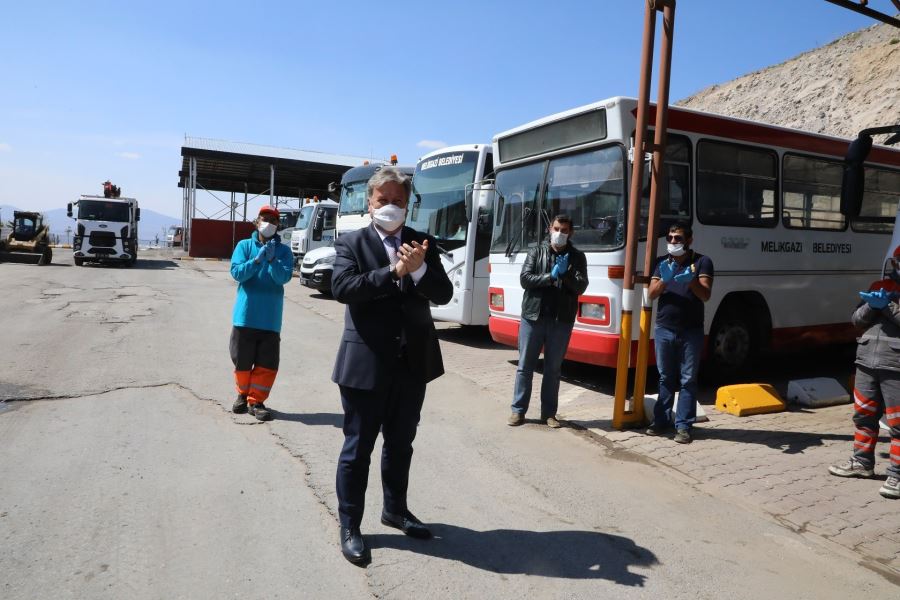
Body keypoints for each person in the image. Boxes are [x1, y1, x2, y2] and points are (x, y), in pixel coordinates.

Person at [331, 166, 453, 565]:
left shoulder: (422, 242)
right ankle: (350, 525)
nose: (390, 207)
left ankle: (395, 510)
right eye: (383, 200)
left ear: (407, 204)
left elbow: (444, 291)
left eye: (398, 201)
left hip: (411, 363)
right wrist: (393, 271)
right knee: (358, 449)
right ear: (370, 203)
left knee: (401, 444)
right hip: (365, 364)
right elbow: (344, 288)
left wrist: (418, 268)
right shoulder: (352, 242)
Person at [508, 214, 588, 428]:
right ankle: (518, 411)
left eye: (564, 230)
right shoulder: (536, 251)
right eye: (556, 229)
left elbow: (581, 287)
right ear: (549, 229)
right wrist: (551, 277)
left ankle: (549, 414)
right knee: (525, 366)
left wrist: (566, 275)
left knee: (553, 369)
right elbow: (525, 279)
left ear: (570, 233)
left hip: (561, 320)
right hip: (533, 317)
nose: (559, 234)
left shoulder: (577, 257)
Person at [828, 278, 900, 499]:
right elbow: (857, 320)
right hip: (866, 363)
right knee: (863, 416)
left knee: (898, 424)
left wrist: (887, 306)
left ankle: (897, 474)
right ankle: (861, 462)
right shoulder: (881, 285)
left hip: (896, 367)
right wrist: (871, 305)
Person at [646, 221, 714, 444]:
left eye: (678, 238)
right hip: (664, 328)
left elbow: (705, 295)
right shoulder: (662, 262)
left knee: (687, 380)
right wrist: (665, 280)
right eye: (670, 238)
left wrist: (691, 280)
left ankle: (683, 427)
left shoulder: (702, 262)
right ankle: (660, 420)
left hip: (691, 331)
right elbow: (652, 294)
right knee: (665, 377)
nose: (673, 242)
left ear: (689, 241)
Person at [228, 205, 294, 422]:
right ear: (257, 222)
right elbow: (237, 273)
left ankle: (256, 401)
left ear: (278, 227)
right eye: (265, 219)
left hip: (270, 319)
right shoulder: (244, 246)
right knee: (242, 361)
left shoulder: (284, 252)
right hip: (245, 316)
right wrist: (257, 260)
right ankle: (242, 395)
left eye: (274, 221)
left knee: (267, 364)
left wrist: (273, 260)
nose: (269, 224)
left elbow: (283, 278)